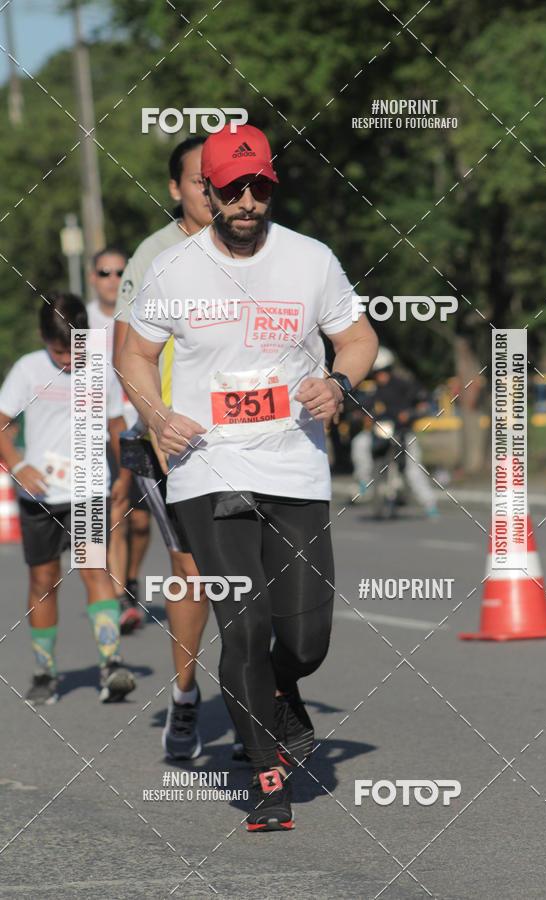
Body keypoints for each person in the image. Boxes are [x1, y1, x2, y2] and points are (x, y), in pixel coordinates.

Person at [119, 123, 378, 831]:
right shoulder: (174, 269)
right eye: (231, 188)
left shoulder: (311, 260)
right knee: (245, 621)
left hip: (294, 465)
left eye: (258, 186)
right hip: (208, 468)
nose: (246, 201)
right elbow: (133, 355)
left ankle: (283, 690)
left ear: (272, 184)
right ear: (207, 189)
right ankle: (266, 776)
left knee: (305, 638)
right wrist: (156, 414)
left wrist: (339, 383)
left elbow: (357, 339)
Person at [113, 136, 213, 760]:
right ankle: (184, 695)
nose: (213, 188)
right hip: (174, 444)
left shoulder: (267, 246)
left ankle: (273, 699)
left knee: (266, 580)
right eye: (200, 179)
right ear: (176, 188)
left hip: (259, 441)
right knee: (194, 572)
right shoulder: (156, 255)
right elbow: (127, 356)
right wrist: (157, 420)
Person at [0, 292, 137, 705]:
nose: (67, 360)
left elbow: (118, 425)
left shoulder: (99, 367)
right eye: (59, 351)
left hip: (88, 490)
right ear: (44, 338)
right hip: (39, 495)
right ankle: (45, 672)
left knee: (94, 571)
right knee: (44, 581)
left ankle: (111, 665)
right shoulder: (27, 369)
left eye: (74, 350)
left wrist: (124, 475)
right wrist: (18, 465)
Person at [89, 247, 152, 633]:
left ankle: (129, 578)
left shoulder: (145, 310)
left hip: (144, 426)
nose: (112, 279)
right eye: (104, 273)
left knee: (142, 522)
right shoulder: (83, 322)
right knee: (117, 515)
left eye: (119, 273)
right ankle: (116, 596)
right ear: (93, 277)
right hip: (104, 432)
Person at [351, 346, 439, 516]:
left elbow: (422, 401)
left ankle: (429, 504)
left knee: (413, 467)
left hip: (403, 432)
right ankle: (364, 481)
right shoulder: (373, 390)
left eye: (383, 371)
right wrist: (360, 415)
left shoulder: (404, 386)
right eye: (376, 373)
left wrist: (413, 412)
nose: (380, 376)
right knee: (359, 443)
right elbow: (363, 408)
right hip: (380, 432)